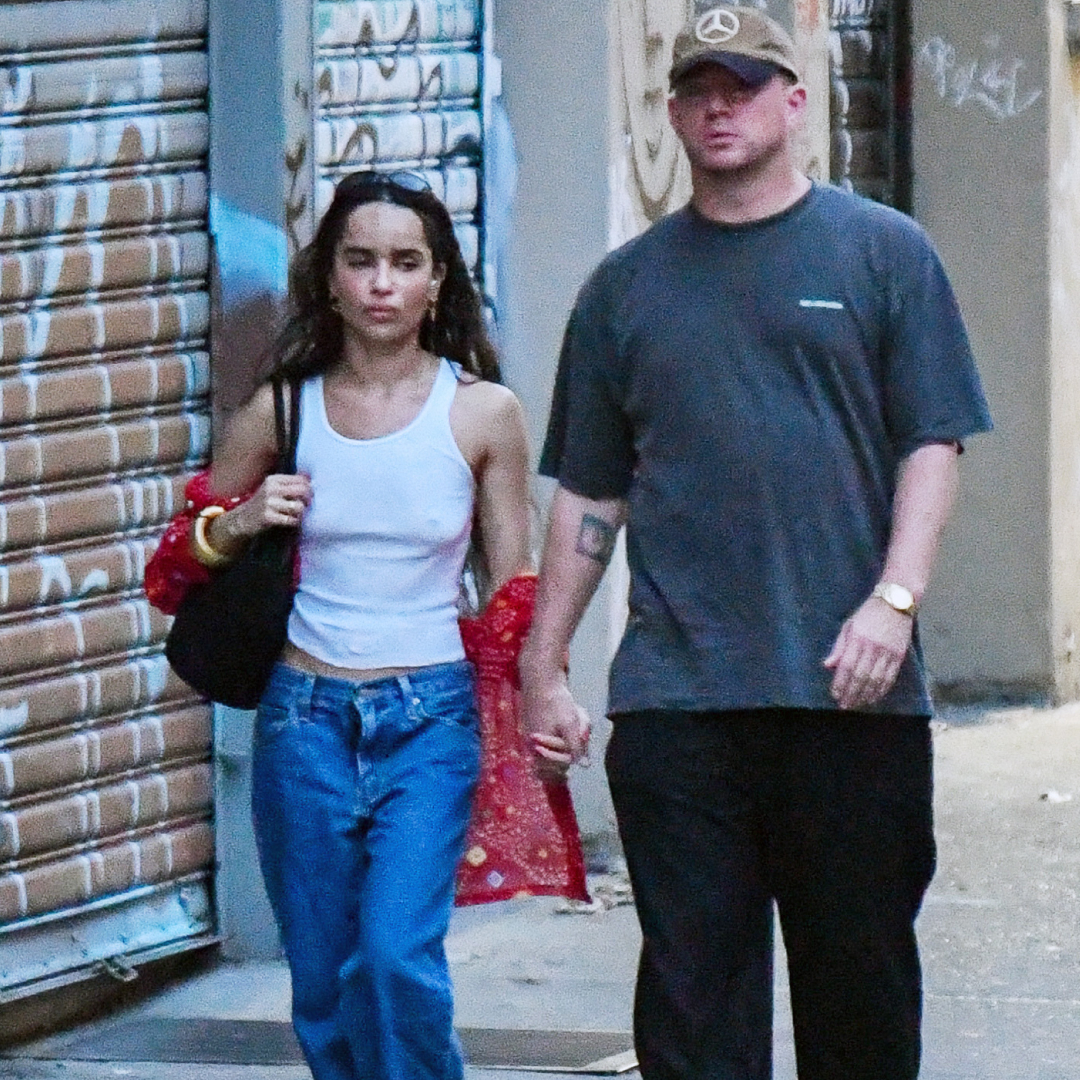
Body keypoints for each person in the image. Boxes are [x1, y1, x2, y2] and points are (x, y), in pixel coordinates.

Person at [519, 7, 993, 1080]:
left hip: (851, 697)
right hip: (680, 701)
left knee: (859, 998)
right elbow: (591, 493)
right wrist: (543, 664)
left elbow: (934, 442)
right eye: (696, 88)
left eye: (743, 83)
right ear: (673, 111)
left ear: (795, 100)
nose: (718, 105)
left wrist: (895, 600)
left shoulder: (883, 256)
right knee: (693, 1008)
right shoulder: (622, 291)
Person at [153, 171, 532, 1080]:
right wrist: (238, 523)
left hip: (429, 718)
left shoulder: (483, 412)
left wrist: (532, 700)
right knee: (322, 978)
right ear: (329, 278)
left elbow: (511, 581)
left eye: (406, 263)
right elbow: (174, 565)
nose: (382, 285)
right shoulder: (283, 407)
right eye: (360, 262)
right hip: (304, 721)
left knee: (397, 957)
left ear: (439, 279)